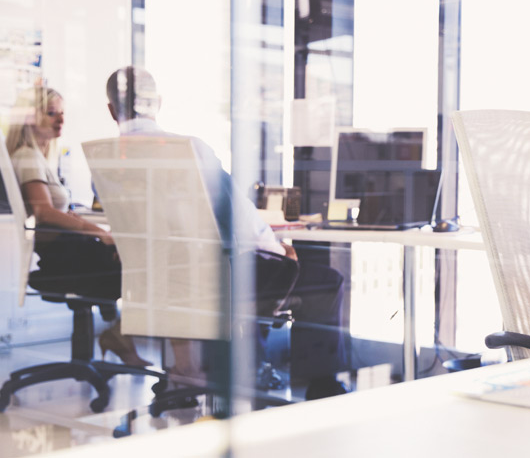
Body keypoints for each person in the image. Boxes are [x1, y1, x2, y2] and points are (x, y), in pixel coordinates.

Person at [105, 66, 347, 396]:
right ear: (157, 102)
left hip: (165, 280)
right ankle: (320, 390)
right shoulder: (189, 149)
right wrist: (280, 249)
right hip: (217, 282)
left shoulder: (108, 160)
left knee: (259, 270)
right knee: (324, 280)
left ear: (110, 110)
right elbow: (240, 219)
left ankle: (234, 366)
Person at [5, 86, 152, 366]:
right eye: (51, 113)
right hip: (62, 259)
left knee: (131, 257)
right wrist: (101, 233)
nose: (60, 119)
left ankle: (121, 335)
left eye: (62, 113)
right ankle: (120, 335)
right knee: (140, 262)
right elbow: (43, 212)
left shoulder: (38, 158)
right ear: (30, 119)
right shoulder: (27, 156)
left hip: (65, 253)